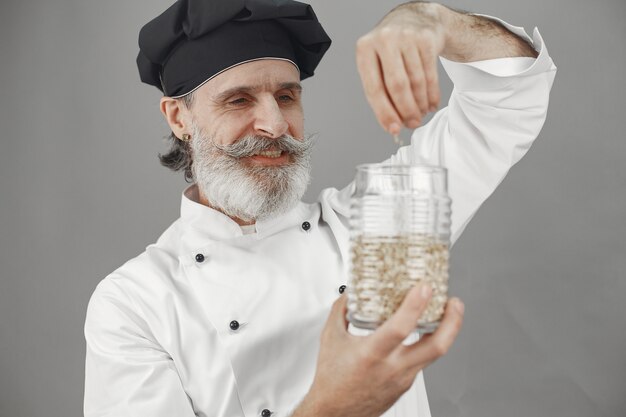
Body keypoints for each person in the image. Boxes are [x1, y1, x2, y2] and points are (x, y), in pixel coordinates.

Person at [83, 1, 557, 416]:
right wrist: (337, 408)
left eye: (286, 96)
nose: (274, 124)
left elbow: (508, 97)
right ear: (179, 118)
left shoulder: (375, 226)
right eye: (239, 99)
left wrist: (433, 19)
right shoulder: (136, 304)